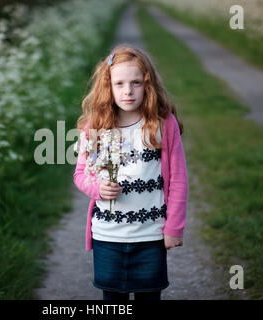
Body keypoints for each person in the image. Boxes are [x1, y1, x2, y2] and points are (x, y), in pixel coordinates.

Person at [73, 44, 188, 301]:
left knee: (149, 296)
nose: (128, 91)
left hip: (151, 234)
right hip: (107, 235)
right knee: (113, 300)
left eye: (136, 83)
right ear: (108, 87)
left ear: (148, 85)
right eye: (120, 83)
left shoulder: (163, 124)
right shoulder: (96, 127)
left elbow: (178, 180)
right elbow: (81, 174)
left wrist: (174, 228)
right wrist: (98, 189)